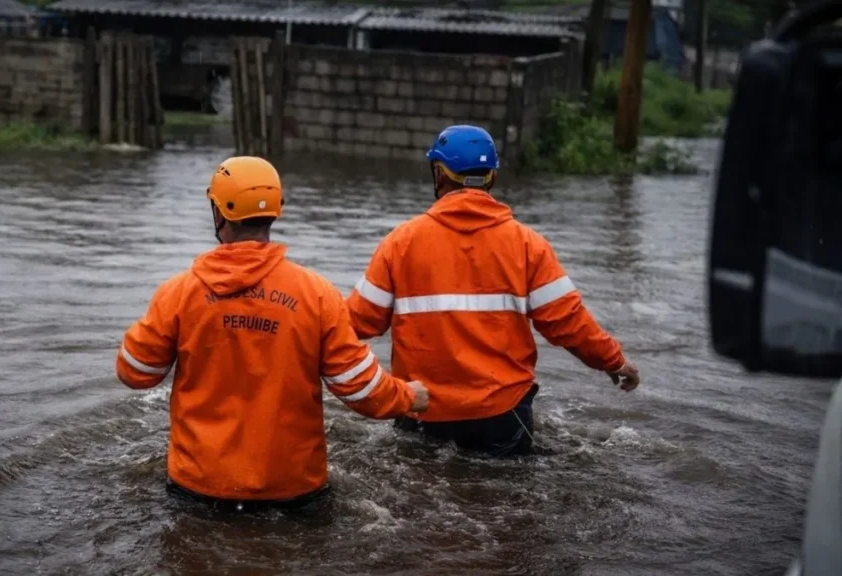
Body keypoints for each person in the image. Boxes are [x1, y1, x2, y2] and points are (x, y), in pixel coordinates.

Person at [116, 156, 429, 511]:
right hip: (293, 491)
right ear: (276, 211)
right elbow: (360, 389)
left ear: (218, 212)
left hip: (200, 488)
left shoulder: (178, 293)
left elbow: (135, 373)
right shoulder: (317, 294)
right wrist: (409, 396)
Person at [346, 125, 639, 457]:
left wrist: (295, 330)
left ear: (439, 174)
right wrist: (614, 361)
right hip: (503, 415)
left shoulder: (400, 243)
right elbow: (569, 323)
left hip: (422, 410)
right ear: (492, 178)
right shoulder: (529, 246)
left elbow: (354, 322)